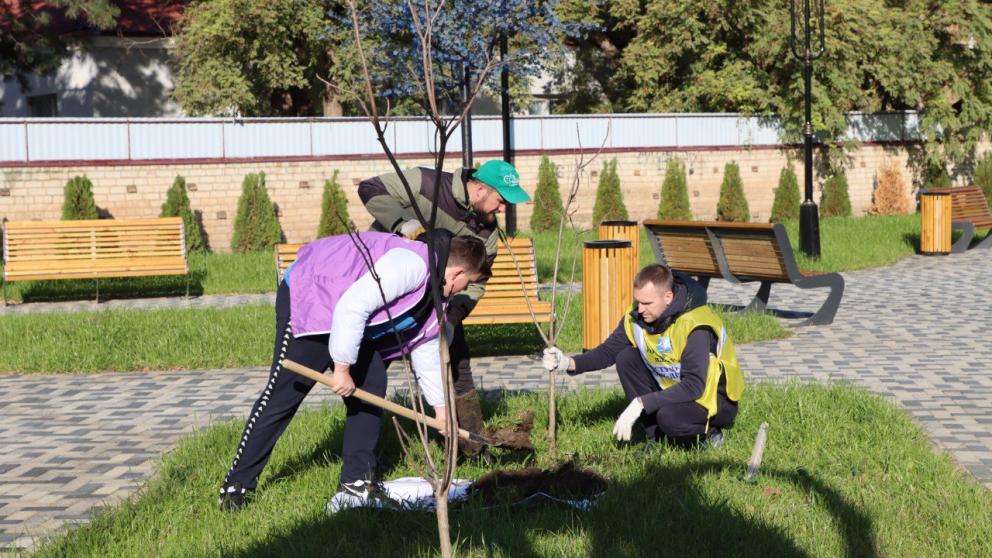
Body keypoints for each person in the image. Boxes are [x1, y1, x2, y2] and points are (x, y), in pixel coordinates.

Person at [218, 231, 488, 511]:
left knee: (372, 382)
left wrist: (441, 412)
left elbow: (425, 345)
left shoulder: (437, 292)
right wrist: (342, 368)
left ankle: (356, 481)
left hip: (345, 315)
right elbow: (353, 305)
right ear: (457, 273)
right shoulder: (412, 265)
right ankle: (236, 485)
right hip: (311, 294)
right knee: (284, 394)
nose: (463, 290)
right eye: (468, 283)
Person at [358, 159, 530, 452]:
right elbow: (370, 188)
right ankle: (365, 454)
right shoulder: (428, 184)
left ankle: (471, 448)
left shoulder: (486, 235)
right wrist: (402, 223)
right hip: (387, 291)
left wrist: (451, 319)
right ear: (480, 189)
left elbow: (476, 283)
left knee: (458, 363)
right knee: (371, 369)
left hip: (439, 304)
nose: (502, 210)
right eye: (501, 201)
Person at [543, 264, 744, 446]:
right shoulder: (636, 317)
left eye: (647, 303)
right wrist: (567, 363)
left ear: (668, 297)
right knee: (626, 358)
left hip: (712, 400)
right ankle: (654, 438)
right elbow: (607, 351)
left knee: (669, 418)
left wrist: (642, 403)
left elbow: (694, 386)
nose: (640, 309)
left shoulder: (695, 325)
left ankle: (711, 433)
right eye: (638, 301)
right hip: (675, 389)